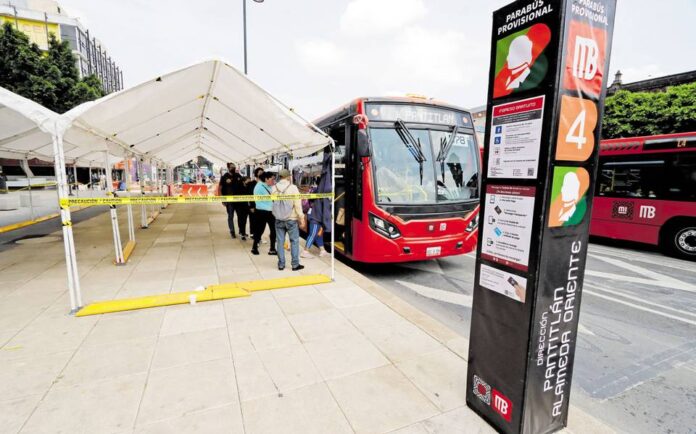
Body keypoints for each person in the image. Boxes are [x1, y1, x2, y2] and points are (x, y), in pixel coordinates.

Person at [272, 169, 305, 271]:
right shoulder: (293, 188)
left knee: (280, 242)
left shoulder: (274, 188)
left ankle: (281, 264)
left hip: (278, 219)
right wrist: (301, 218)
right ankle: (295, 265)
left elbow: (273, 202)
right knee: (294, 241)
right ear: (288, 176)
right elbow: (297, 204)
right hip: (291, 219)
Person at [301, 178, 328, 259]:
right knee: (313, 234)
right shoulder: (319, 192)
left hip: (314, 215)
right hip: (316, 217)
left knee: (318, 234)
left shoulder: (314, 190)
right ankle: (305, 251)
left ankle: (322, 250)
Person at [252, 172, 277, 256]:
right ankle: (254, 247)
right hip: (262, 211)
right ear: (266, 179)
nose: (273, 181)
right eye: (272, 179)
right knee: (259, 230)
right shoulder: (259, 187)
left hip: (270, 211)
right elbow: (259, 201)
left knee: (273, 230)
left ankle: (272, 249)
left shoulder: (268, 186)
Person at [217, 162, 244, 239]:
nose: (234, 168)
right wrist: (222, 199)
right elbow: (220, 188)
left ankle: (241, 231)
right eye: (232, 167)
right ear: (228, 168)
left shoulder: (238, 175)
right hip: (229, 201)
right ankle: (232, 231)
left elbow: (243, 183)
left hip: (238, 200)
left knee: (240, 216)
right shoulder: (224, 177)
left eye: (234, 167)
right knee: (230, 216)